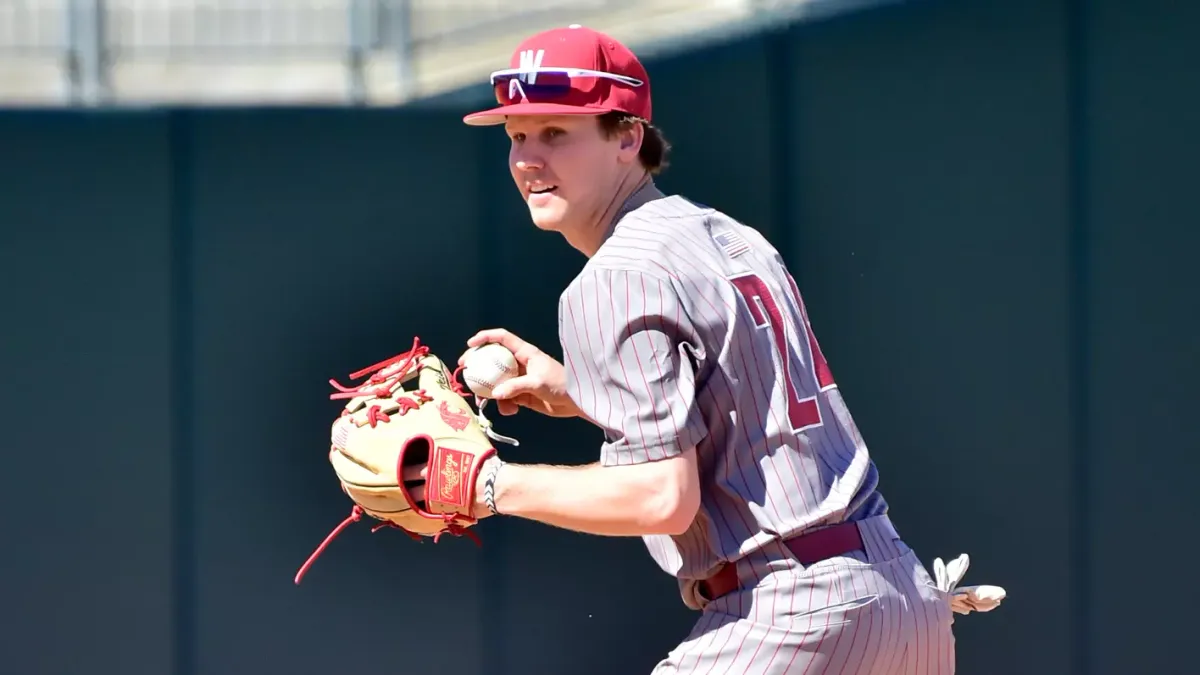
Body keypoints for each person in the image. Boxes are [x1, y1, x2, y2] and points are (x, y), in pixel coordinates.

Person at [451, 24, 956, 674]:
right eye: (517, 134)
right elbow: (743, 401)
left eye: (556, 133)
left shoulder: (613, 276)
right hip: (900, 597)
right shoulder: (729, 235)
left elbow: (661, 497)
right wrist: (580, 389)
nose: (527, 158)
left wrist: (488, 485)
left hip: (792, 612)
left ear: (627, 137)